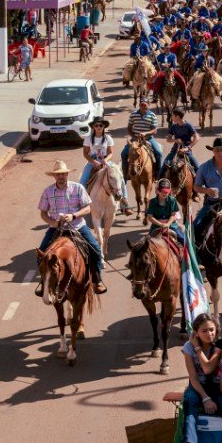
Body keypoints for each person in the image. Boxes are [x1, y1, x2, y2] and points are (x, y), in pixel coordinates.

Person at [36, 160, 107, 296]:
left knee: (96, 250)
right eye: (58, 174)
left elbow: (88, 208)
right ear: (54, 176)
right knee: (41, 255)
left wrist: (73, 216)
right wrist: (54, 222)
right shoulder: (48, 191)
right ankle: (43, 282)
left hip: (77, 226)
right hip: (57, 229)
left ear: (67, 174)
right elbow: (43, 214)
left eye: (63, 174)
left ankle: (97, 280)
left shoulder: (78, 188)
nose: (61, 176)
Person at [181, 313, 222, 443]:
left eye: (211, 329)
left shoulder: (220, 346)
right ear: (196, 333)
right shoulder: (188, 347)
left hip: (218, 386)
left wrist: (198, 348)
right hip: (198, 385)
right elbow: (193, 377)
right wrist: (205, 398)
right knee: (190, 400)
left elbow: (207, 368)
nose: (209, 334)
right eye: (204, 331)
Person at [79, 117, 132, 216]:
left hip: (106, 161)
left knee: (120, 177)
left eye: (100, 125)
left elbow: (111, 153)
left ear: (103, 127)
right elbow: (85, 154)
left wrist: (105, 160)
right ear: (93, 127)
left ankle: (125, 204)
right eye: (96, 125)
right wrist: (93, 161)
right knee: (82, 182)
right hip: (92, 161)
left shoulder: (108, 138)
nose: (98, 127)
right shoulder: (88, 139)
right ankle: (82, 204)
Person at [121, 97, 163, 180]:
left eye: (145, 105)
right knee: (124, 154)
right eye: (142, 105)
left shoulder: (152, 115)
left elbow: (154, 130)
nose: (144, 107)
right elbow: (129, 128)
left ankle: (158, 175)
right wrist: (134, 137)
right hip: (135, 139)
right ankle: (125, 175)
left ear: (149, 105)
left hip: (148, 139)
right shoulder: (133, 114)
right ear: (139, 105)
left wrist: (145, 133)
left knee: (158, 153)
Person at [160, 107, 200, 175]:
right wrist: (175, 140)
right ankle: (159, 182)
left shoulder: (188, 125)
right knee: (164, 164)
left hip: (186, 151)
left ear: (177, 117)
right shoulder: (173, 126)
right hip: (175, 150)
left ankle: (200, 183)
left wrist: (187, 148)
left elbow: (197, 137)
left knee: (197, 167)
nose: (171, 117)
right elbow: (168, 139)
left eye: (172, 116)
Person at [146, 178, 184, 244]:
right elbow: (150, 217)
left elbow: (173, 215)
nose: (164, 193)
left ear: (169, 191)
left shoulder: (172, 200)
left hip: (171, 225)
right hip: (156, 226)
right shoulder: (152, 202)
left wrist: (167, 224)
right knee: (147, 243)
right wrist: (160, 224)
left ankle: (189, 253)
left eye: (166, 192)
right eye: (162, 191)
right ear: (157, 190)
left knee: (183, 239)